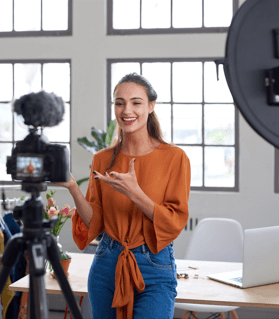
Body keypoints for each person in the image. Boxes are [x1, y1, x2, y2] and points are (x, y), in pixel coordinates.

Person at [54, 73, 191, 319]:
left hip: (154, 265)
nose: (127, 110)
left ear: (151, 106)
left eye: (136, 102)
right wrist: (73, 187)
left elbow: (174, 221)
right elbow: (95, 223)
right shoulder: (102, 159)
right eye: (120, 103)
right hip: (107, 262)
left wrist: (136, 194)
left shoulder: (174, 158)